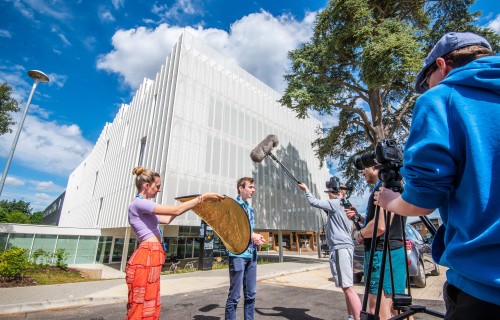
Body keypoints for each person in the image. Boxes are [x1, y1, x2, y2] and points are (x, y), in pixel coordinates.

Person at [374, 32, 500, 318]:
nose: (426, 89)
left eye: (426, 80)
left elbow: (423, 200)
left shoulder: (442, 98)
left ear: (441, 65)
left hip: (483, 289)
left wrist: (391, 200)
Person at [126, 166, 224, 320]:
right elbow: (174, 211)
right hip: (146, 256)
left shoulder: (144, 207)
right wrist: (202, 197)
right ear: (146, 186)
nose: (159, 190)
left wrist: (187, 205)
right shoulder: (139, 204)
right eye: (157, 186)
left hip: (151, 256)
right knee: (141, 302)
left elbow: (167, 218)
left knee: (149, 300)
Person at [346, 167, 407, 320]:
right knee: (397, 306)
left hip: (381, 253)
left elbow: (380, 226)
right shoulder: (394, 185)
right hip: (394, 251)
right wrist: (360, 218)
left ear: (375, 166)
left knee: (376, 306)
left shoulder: (384, 187)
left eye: (364, 166)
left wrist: (359, 234)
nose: (362, 171)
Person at [298, 181, 361, 320]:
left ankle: (358, 318)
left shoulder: (335, 203)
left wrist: (306, 189)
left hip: (340, 248)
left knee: (348, 288)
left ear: (337, 192)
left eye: (330, 192)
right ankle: (351, 316)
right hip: (346, 247)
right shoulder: (346, 205)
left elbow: (314, 202)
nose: (329, 195)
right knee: (348, 286)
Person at [225, 177, 266, 320]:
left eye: (253, 187)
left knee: (251, 295)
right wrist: (252, 236)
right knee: (235, 296)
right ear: (241, 188)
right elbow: (233, 230)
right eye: (250, 187)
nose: (253, 190)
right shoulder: (233, 206)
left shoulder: (250, 208)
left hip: (251, 254)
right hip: (237, 255)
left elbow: (250, 230)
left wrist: (256, 239)